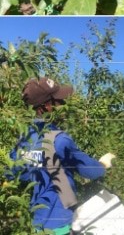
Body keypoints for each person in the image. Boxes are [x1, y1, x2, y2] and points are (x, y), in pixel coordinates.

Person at [9, 77, 115, 234]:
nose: (62, 104)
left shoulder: (24, 138)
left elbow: (13, 174)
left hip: (34, 219)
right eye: (58, 101)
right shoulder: (59, 139)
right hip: (59, 222)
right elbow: (89, 170)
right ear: (46, 106)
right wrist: (103, 165)